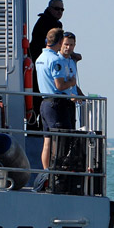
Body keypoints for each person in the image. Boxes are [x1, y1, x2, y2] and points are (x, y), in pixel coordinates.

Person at [36, 27, 78, 170]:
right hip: (57, 103)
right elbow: (60, 86)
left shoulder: (40, 58)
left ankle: (47, 170)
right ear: (60, 41)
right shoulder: (55, 60)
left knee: (47, 140)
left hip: (45, 102)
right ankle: (56, 171)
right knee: (60, 140)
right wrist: (72, 83)